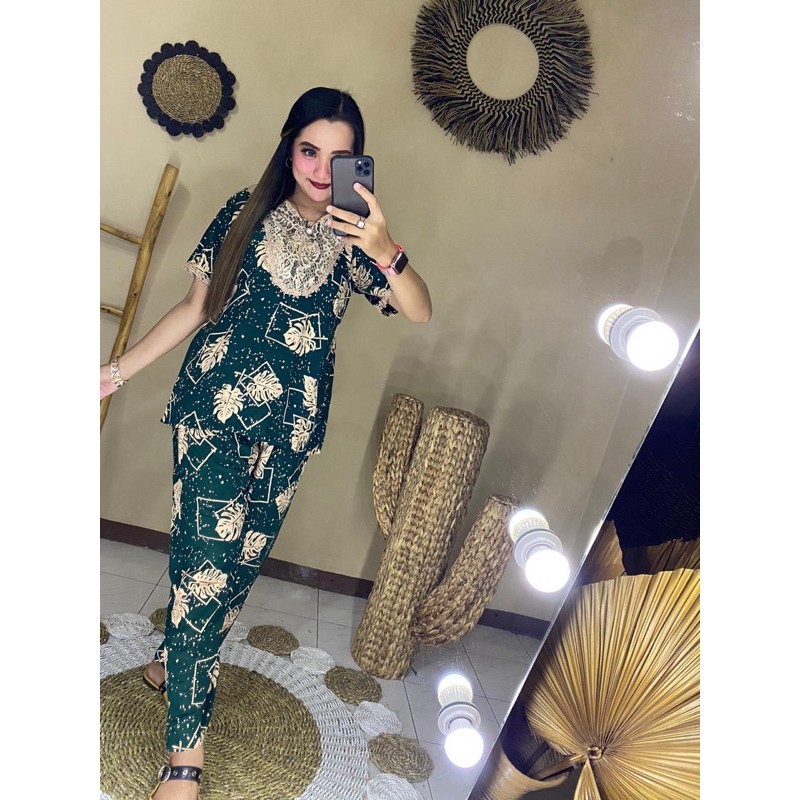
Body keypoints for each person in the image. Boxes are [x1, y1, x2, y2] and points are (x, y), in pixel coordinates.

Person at [100, 86, 432, 799]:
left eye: (338, 157)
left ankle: (169, 661)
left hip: (289, 433)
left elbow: (419, 311)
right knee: (207, 572)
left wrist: (385, 249)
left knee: (236, 571)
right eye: (309, 150)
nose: (320, 169)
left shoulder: (357, 241)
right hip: (213, 416)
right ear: (289, 148)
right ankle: (184, 758)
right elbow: (195, 307)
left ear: (357, 164)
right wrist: (115, 372)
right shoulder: (241, 214)